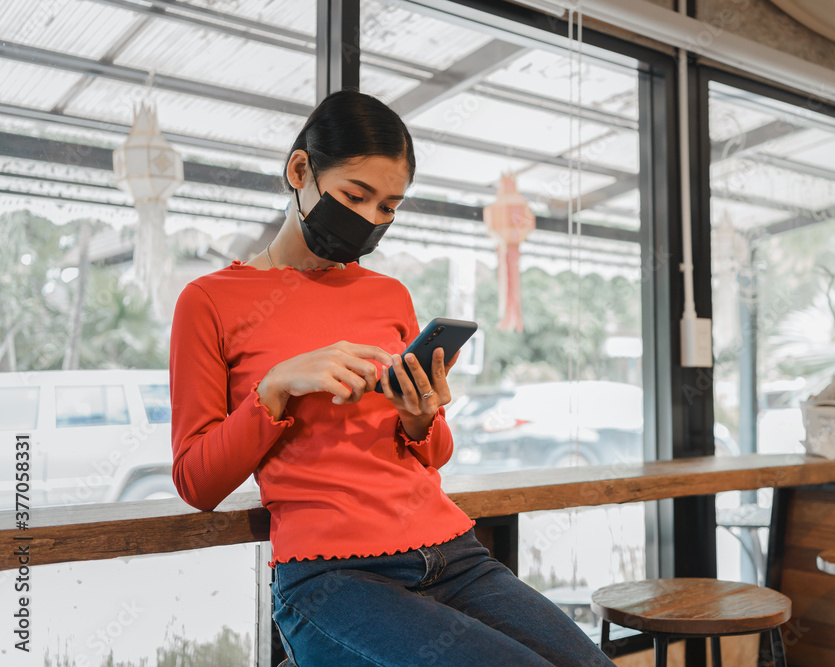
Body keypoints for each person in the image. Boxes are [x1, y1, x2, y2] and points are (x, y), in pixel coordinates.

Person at [169, 90, 614, 667]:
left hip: (454, 555)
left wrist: (421, 415)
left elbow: (434, 455)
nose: (370, 220)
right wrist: (276, 386)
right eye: (356, 195)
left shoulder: (388, 294)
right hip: (333, 578)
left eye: (388, 207)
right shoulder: (209, 301)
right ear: (300, 169)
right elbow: (196, 482)